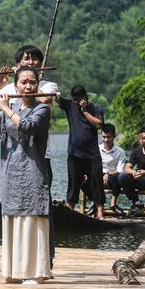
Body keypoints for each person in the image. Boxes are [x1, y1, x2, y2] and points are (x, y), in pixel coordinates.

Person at [0, 66, 52, 284]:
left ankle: (36, 272)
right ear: (16, 85)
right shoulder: (9, 107)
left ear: (37, 85)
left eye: (32, 82)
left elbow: (28, 127)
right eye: (23, 82)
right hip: (11, 172)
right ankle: (14, 271)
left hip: (33, 171)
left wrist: (4, 107)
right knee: (14, 219)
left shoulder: (42, 109)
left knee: (32, 219)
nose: (28, 86)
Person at [57, 85, 104, 218]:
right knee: (73, 183)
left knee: (96, 183)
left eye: (79, 100)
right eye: (74, 100)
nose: (76, 102)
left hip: (92, 154)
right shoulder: (70, 106)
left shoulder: (95, 108)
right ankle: (70, 211)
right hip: (74, 154)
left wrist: (85, 112)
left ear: (85, 97)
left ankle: (100, 213)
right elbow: (55, 97)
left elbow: (99, 124)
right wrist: (55, 94)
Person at [93, 123, 126, 214]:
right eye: (103, 137)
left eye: (108, 137)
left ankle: (113, 204)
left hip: (113, 178)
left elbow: (120, 170)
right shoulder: (96, 149)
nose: (106, 140)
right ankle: (95, 203)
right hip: (98, 176)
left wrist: (107, 174)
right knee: (84, 180)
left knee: (119, 177)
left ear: (114, 136)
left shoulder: (120, 152)